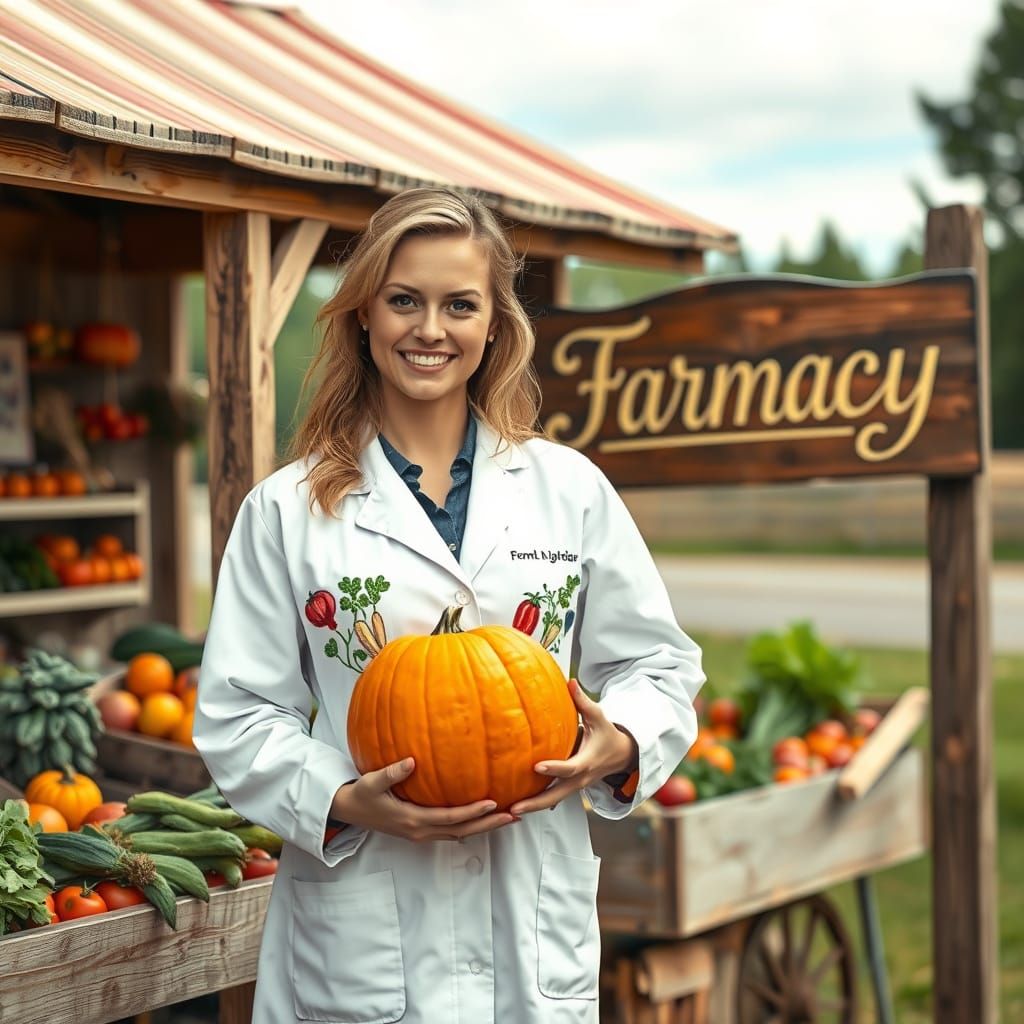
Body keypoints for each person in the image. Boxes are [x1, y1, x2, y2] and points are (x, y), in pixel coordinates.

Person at [193, 186, 705, 1024]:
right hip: (363, 928)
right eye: (404, 300)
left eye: (459, 305)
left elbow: (658, 663)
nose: (430, 329)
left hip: (529, 908)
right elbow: (238, 714)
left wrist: (619, 742)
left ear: (494, 324)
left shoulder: (568, 489)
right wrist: (342, 798)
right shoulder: (287, 510)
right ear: (363, 315)